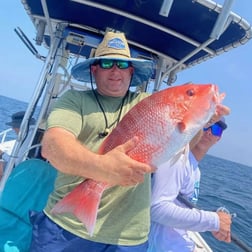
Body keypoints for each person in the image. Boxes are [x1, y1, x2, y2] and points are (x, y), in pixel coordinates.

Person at [29, 31, 156, 251]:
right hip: (67, 227)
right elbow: (52, 146)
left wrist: (206, 117)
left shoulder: (147, 103)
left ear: (131, 71)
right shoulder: (74, 100)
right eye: (107, 63)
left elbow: (182, 134)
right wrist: (103, 168)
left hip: (128, 237)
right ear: (94, 70)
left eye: (123, 64)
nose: (116, 70)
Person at [148, 117, 232, 252]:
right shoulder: (177, 158)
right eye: (207, 124)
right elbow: (157, 208)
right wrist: (214, 221)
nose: (209, 132)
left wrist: (213, 223)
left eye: (216, 129)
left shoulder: (196, 171)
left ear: (219, 138)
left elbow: (179, 207)